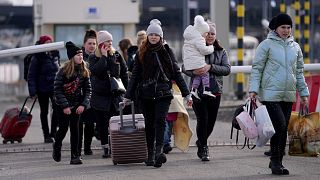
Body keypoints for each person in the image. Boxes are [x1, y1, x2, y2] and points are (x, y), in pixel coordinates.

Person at [123, 19, 192, 168]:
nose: (153, 37)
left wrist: (187, 94)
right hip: (146, 94)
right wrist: (127, 96)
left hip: (163, 93)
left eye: (156, 34)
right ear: (147, 36)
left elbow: (176, 73)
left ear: (161, 36)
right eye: (151, 34)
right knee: (149, 124)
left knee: (160, 121)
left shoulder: (167, 51)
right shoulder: (141, 52)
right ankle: (150, 154)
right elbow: (135, 75)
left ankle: (158, 152)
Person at [249, 13, 309, 175]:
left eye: (289, 27)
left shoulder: (295, 47)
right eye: (283, 27)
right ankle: (275, 160)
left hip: (288, 95)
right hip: (269, 95)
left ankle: (278, 162)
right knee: (280, 126)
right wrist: (253, 90)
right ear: (275, 28)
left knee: (282, 129)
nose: (286, 30)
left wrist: (304, 93)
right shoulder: (266, 45)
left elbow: (299, 72)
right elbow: (257, 69)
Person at [183, 21, 231, 161]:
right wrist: (194, 72)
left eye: (212, 34)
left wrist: (211, 67)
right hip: (197, 91)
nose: (210, 36)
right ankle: (203, 147)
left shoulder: (221, 52)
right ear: (202, 34)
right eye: (207, 33)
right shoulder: (194, 47)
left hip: (215, 91)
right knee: (202, 119)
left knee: (211, 121)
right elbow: (184, 67)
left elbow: (227, 69)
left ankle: (201, 140)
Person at [88, 30, 128, 158]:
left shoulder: (116, 55)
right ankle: (105, 147)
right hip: (99, 96)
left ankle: (114, 146)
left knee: (115, 123)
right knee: (103, 124)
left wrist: (127, 92)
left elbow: (121, 73)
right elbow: (96, 71)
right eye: (107, 41)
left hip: (115, 95)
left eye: (111, 41)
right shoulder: (93, 57)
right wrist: (104, 57)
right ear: (101, 44)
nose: (110, 43)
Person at [52, 41, 92, 165]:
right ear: (71, 57)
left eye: (81, 54)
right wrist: (65, 106)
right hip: (62, 105)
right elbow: (57, 90)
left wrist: (83, 104)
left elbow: (88, 90)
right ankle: (56, 146)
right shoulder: (63, 71)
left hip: (76, 104)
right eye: (78, 55)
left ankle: (75, 155)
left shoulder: (84, 70)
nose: (81, 56)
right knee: (63, 129)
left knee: (75, 130)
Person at [27, 35, 60, 143]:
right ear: (42, 44)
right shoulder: (37, 57)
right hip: (42, 88)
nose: (49, 44)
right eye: (47, 43)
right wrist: (33, 92)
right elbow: (31, 75)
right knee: (44, 111)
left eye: (50, 42)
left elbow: (58, 70)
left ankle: (53, 131)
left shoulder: (55, 54)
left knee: (57, 107)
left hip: (54, 87)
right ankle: (46, 134)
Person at [183, 15, 215, 99]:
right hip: (197, 62)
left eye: (212, 34)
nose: (207, 35)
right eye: (206, 33)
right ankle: (207, 89)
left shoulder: (189, 38)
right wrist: (211, 48)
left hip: (189, 64)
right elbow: (204, 50)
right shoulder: (199, 38)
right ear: (202, 31)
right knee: (205, 74)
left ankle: (193, 90)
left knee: (198, 76)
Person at [78, 29, 97, 156]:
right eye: (89, 43)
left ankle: (87, 147)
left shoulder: (98, 57)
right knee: (79, 123)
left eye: (94, 44)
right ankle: (78, 147)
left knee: (90, 123)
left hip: (93, 95)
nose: (92, 46)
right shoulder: (78, 57)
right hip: (79, 95)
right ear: (84, 44)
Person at [163, 81, 193, 154]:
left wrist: (188, 96)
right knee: (166, 123)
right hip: (170, 100)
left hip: (174, 101)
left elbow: (180, 80)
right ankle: (166, 143)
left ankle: (166, 143)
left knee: (169, 123)